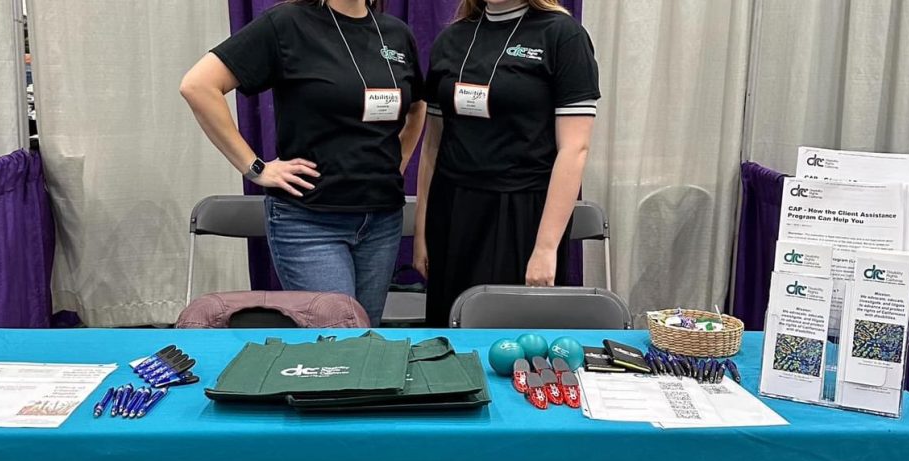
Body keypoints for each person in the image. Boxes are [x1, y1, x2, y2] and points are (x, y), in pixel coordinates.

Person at [180, 0, 426, 326]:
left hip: (382, 222)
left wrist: (399, 162)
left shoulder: (396, 34)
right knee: (338, 334)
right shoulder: (287, 24)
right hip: (310, 222)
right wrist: (255, 167)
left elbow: (417, 106)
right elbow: (198, 86)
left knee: (365, 337)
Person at [415, 0, 599, 326]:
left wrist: (545, 248)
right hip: (453, 212)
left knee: (511, 337)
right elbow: (432, 145)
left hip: (523, 215)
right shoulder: (451, 39)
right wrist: (421, 231)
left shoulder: (562, 35)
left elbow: (574, 149)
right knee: (451, 330)